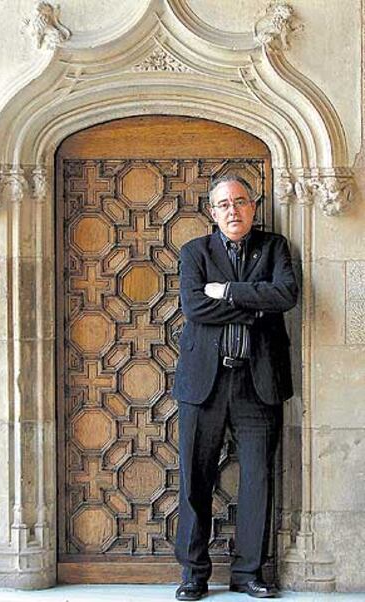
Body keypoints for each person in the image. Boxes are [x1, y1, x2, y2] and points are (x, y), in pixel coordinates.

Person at [173, 175, 298, 600]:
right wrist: (252, 305)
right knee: (195, 480)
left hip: (257, 380)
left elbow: (285, 295)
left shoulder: (275, 247)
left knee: (258, 479)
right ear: (213, 212)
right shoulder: (195, 252)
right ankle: (193, 574)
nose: (233, 210)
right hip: (203, 384)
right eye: (224, 204)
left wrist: (226, 292)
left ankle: (248, 574)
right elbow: (194, 306)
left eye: (240, 202)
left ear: (253, 206)